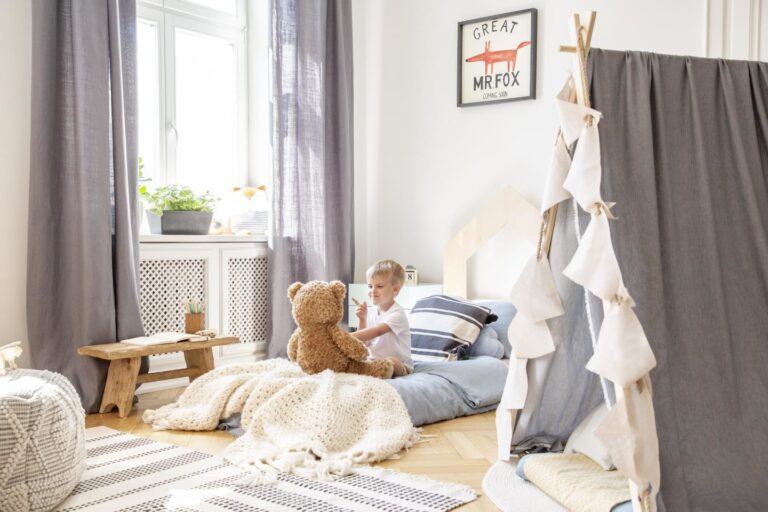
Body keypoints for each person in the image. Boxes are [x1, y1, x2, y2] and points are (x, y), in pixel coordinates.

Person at [354, 259, 413, 377]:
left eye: (379, 286)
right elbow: (364, 343)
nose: (373, 291)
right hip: (373, 361)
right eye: (370, 286)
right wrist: (362, 319)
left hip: (400, 365)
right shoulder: (370, 312)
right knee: (357, 359)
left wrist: (344, 336)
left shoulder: (397, 314)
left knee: (392, 362)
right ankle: (374, 369)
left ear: (395, 289)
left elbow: (377, 331)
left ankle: (382, 370)